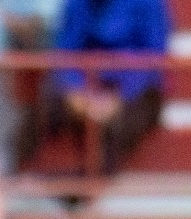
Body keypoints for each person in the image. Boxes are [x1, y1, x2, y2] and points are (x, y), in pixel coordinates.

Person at [44, 0, 167, 177]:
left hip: (133, 90)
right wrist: (77, 92)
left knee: (133, 111)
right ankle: (28, 172)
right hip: (87, 84)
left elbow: (154, 59)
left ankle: (91, 177)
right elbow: (64, 52)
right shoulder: (77, 4)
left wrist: (119, 98)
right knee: (51, 91)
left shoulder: (150, 4)